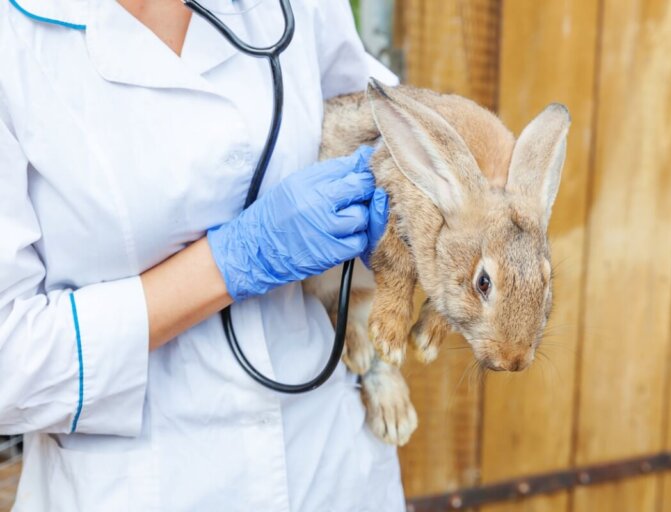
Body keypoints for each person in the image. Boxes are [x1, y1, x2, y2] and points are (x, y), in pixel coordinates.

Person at [0, 0, 406, 510]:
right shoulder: (13, 36)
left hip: (330, 463)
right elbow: (8, 365)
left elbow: (368, 115)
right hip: (142, 483)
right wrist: (230, 263)